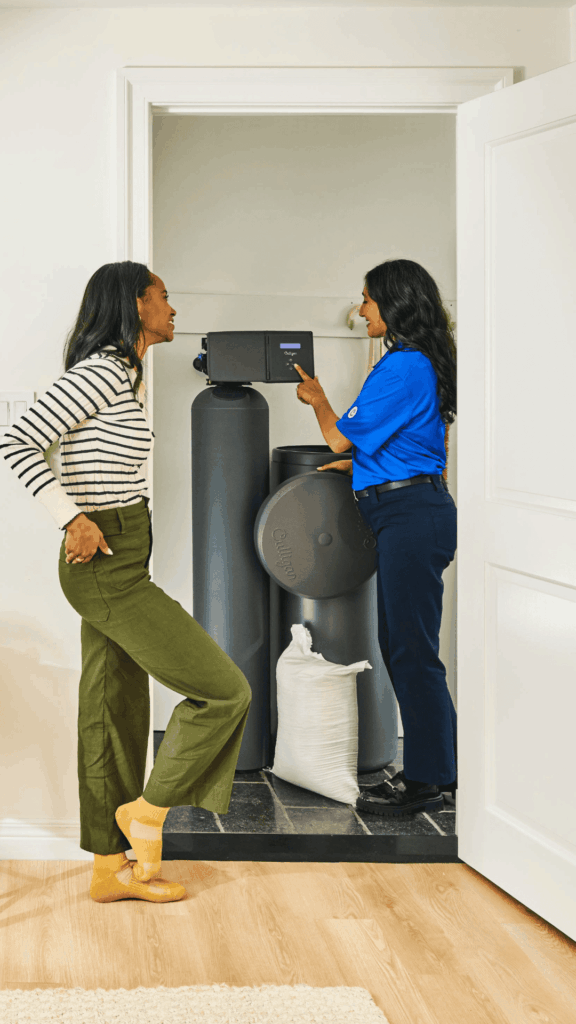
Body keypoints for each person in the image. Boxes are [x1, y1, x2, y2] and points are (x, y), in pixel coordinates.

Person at [0, 261, 253, 904]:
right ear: (135, 303)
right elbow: (16, 440)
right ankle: (146, 813)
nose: (173, 306)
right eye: (163, 296)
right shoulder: (102, 372)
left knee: (113, 710)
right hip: (105, 564)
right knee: (224, 691)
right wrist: (72, 517)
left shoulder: (127, 374)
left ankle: (109, 871)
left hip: (122, 556)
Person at [294, 258, 457, 817]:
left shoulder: (403, 367)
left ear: (393, 303)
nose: (361, 310)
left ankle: (430, 781)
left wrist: (317, 398)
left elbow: (340, 438)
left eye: (367, 299)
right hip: (406, 506)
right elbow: (397, 443)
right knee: (407, 646)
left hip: (409, 513)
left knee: (410, 649)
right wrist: (362, 472)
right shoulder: (413, 364)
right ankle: (432, 773)